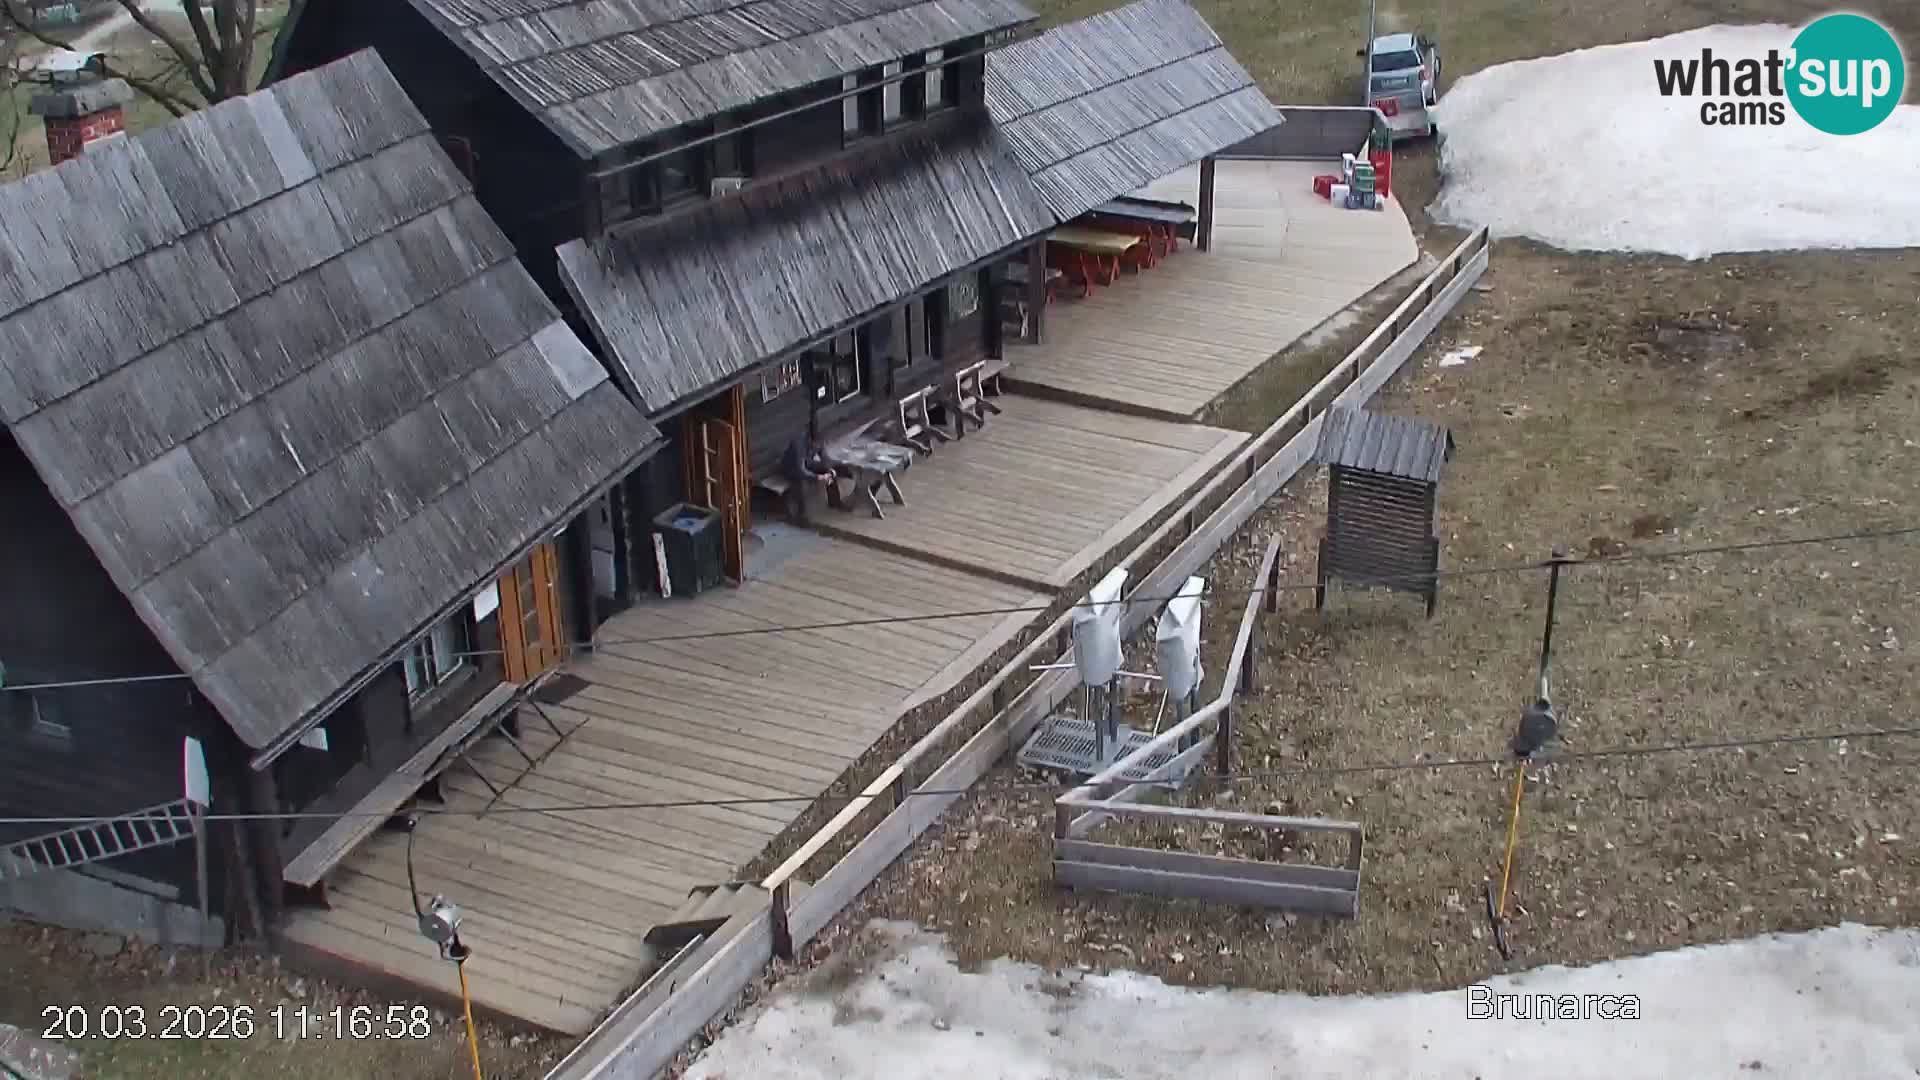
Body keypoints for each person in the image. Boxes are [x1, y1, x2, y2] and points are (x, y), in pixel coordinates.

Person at [780, 433, 837, 522]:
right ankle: (801, 514)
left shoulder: (819, 443)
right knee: (801, 482)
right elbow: (801, 471)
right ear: (810, 441)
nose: (817, 449)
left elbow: (825, 459)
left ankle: (834, 501)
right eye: (815, 446)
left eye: (819, 447)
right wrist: (817, 477)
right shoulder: (798, 446)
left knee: (829, 472)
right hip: (792, 468)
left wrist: (829, 470)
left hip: (807, 463)